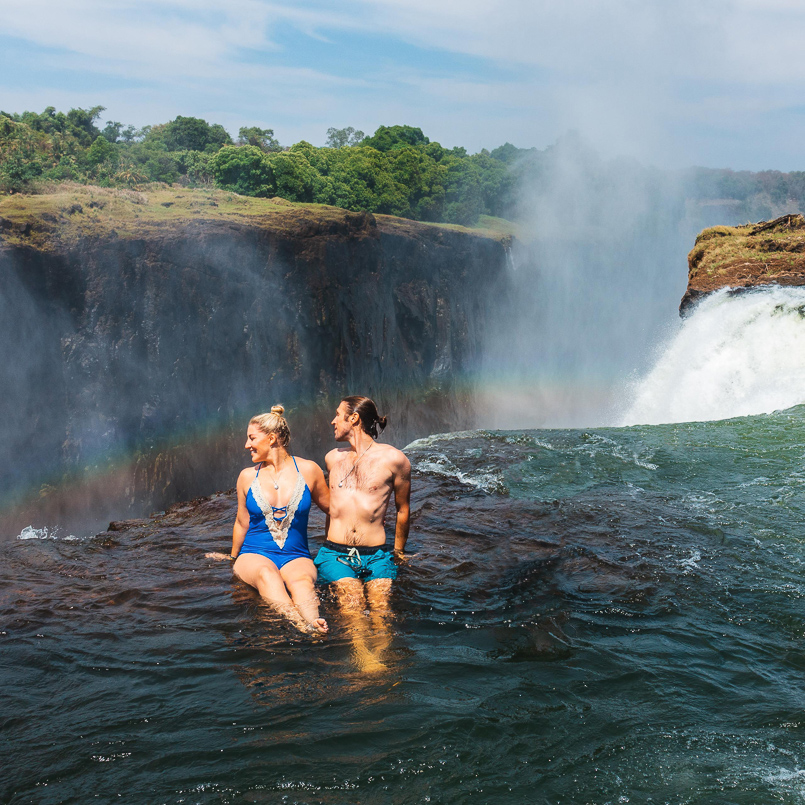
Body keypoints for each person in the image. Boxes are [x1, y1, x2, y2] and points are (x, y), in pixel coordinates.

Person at [207, 406, 330, 634]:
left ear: (272, 438)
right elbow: (242, 522)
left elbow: (335, 511)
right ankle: (300, 625)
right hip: (254, 554)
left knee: (302, 581)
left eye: (252, 438)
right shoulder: (246, 477)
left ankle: (315, 622)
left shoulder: (309, 470)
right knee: (267, 574)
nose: (246, 445)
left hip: (297, 555)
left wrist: (333, 550)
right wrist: (231, 558)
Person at [315, 395, 411, 669]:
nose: (332, 421)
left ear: (354, 418)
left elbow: (403, 509)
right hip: (335, 553)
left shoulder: (395, 460)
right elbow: (333, 508)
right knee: (353, 603)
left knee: (381, 609)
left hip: (378, 554)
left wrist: (399, 552)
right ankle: (365, 658)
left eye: (337, 415)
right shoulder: (332, 459)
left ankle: (380, 657)